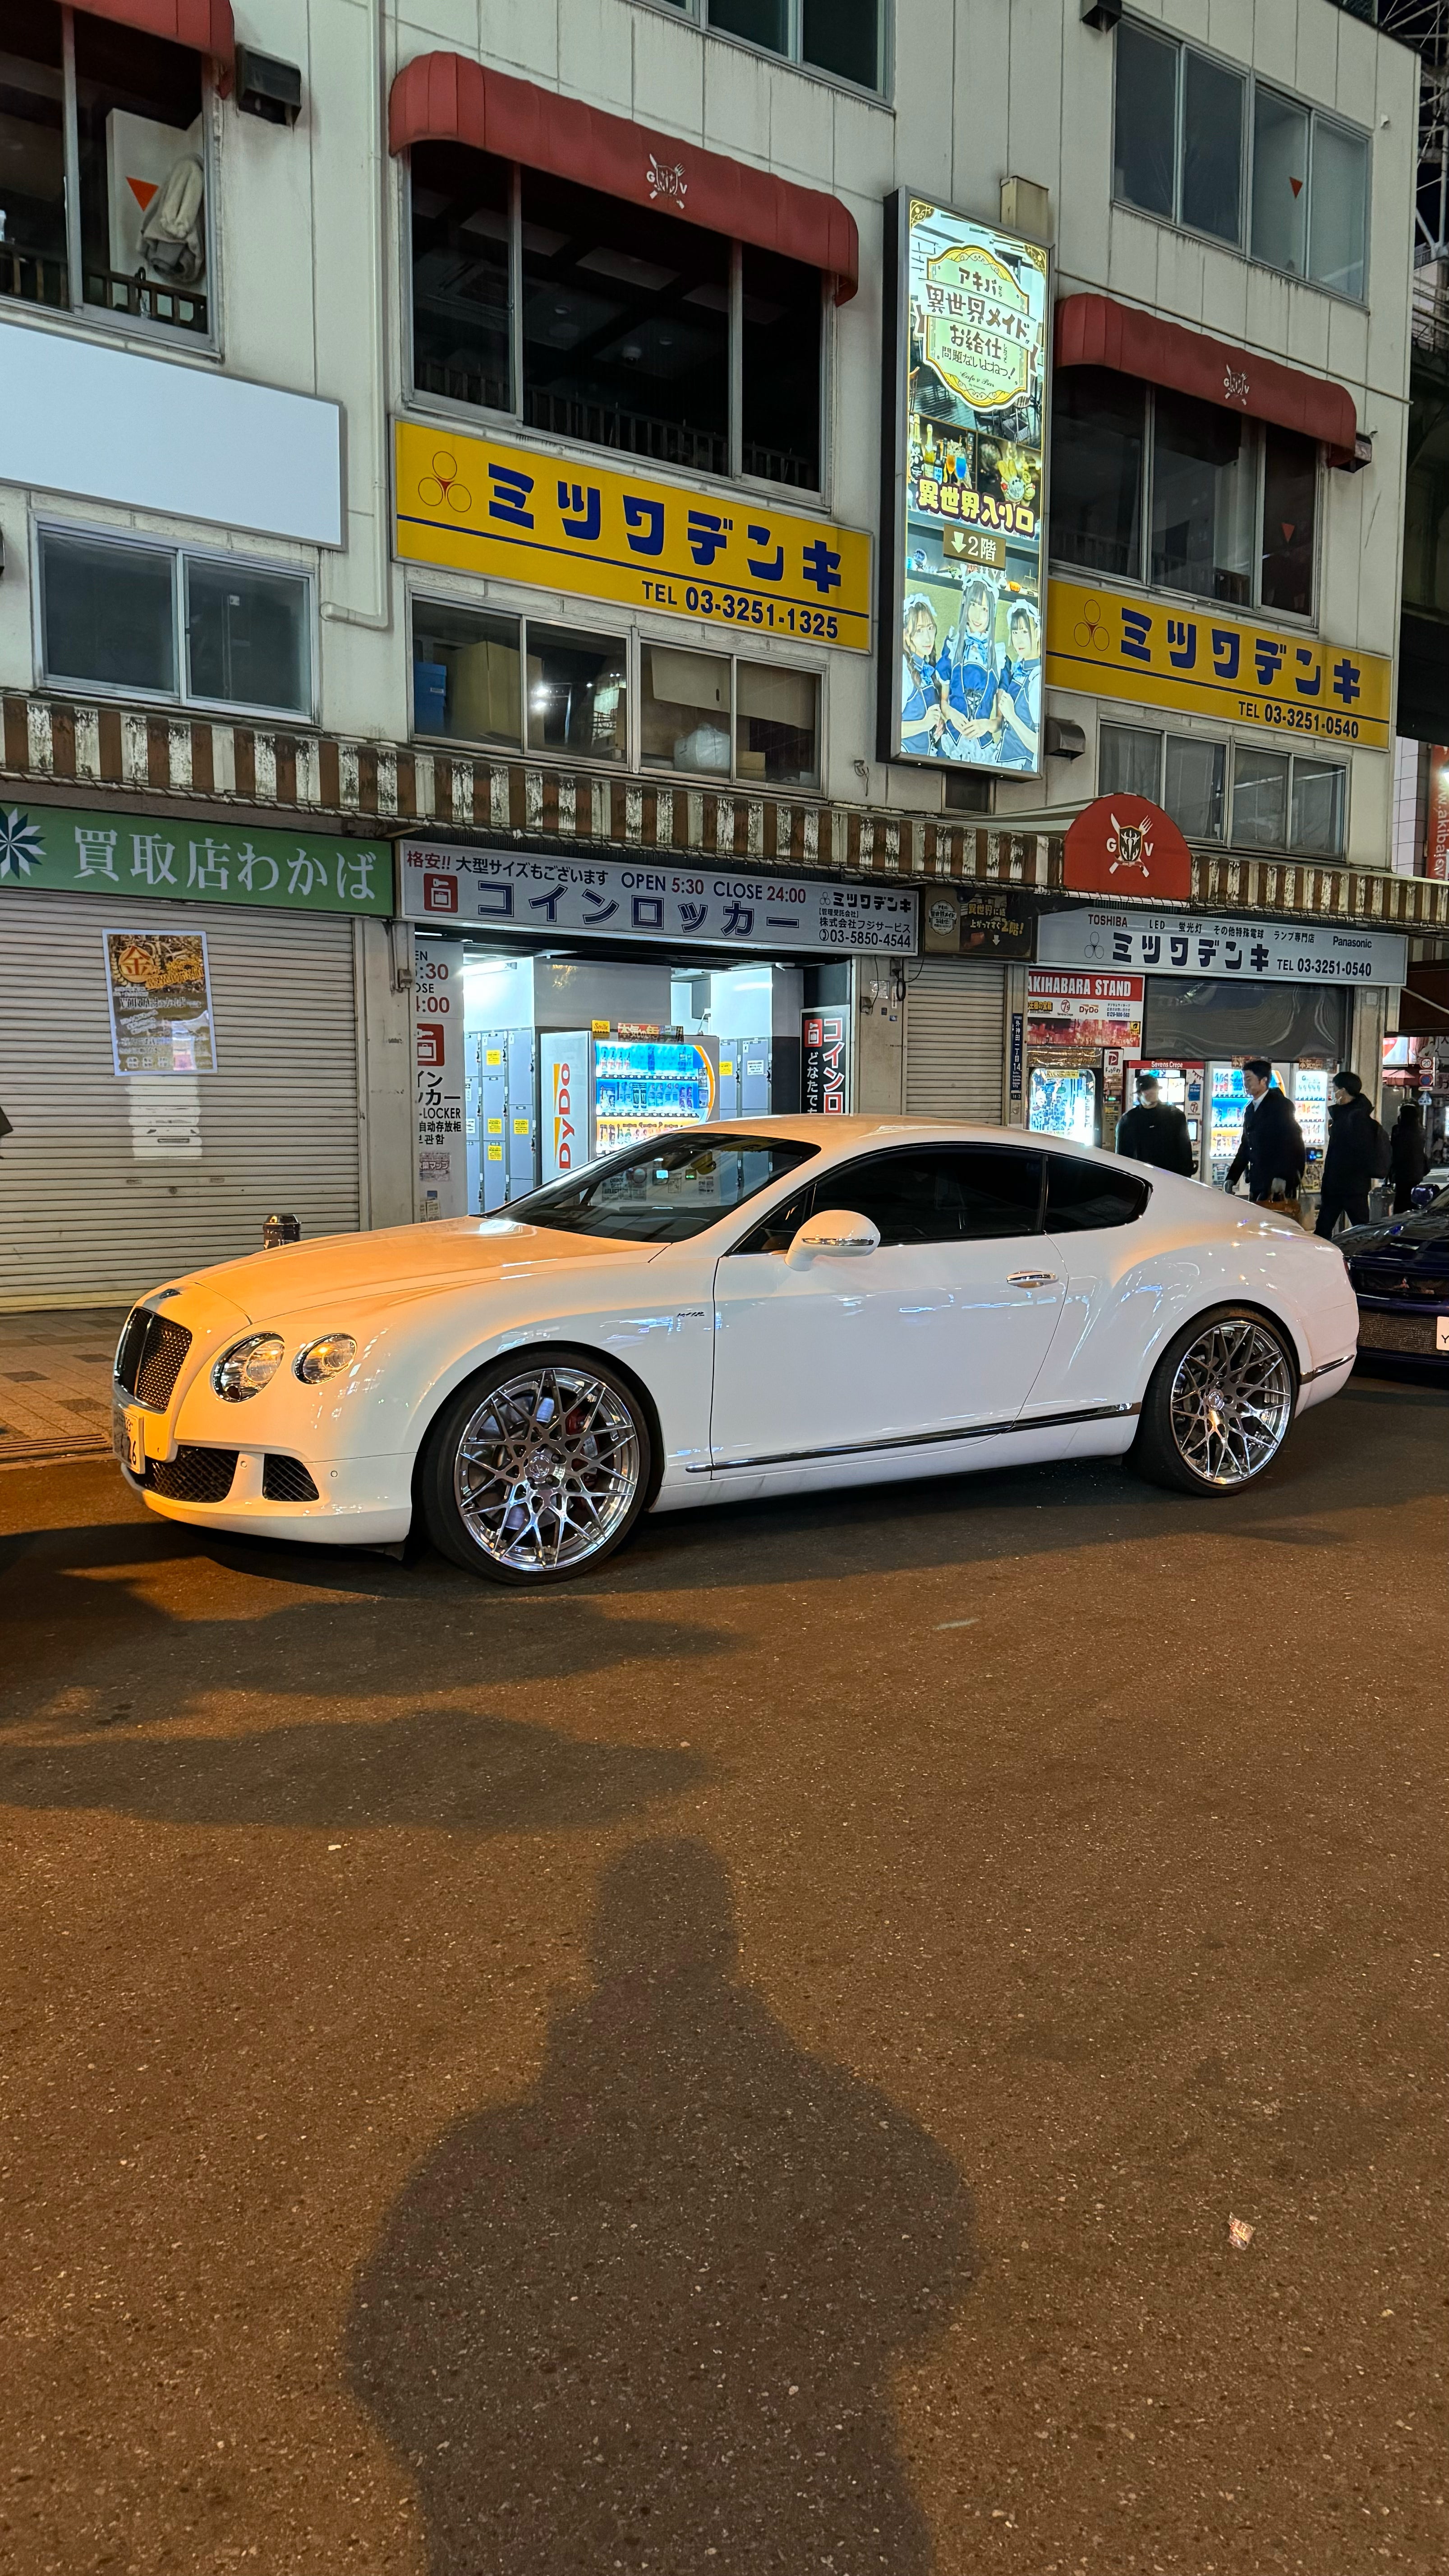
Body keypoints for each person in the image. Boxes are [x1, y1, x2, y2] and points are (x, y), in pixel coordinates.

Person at [1224, 1058, 1306, 1205]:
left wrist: (1283, 1177)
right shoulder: (1250, 1109)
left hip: (1278, 1185)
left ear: (1264, 1080)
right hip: (1258, 1182)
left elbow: (1294, 1145)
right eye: (1244, 1079)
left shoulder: (1281, 1107)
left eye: (1249, 1079)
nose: (1245, 1084)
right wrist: (1232, 1177)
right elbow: (1246, 1146)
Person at [939, 576, 998, 761]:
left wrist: (986, 725)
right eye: (973, 605)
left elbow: (1000, 721)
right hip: (951, 741)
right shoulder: (952, 647)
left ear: (992, 613)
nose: (977, 616)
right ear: (965, 605)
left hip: (984, 748)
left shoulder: (1000, 658)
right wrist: (953, 715)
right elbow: (943, 702)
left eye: (984, 609)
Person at [1315, 1068, 1380, 1237]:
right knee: (1328, 1230)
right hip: (1346, 1185)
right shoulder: (1351, 1115)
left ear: (1342, 1091)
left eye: (1334, 1089)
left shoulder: (1354, 1118)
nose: (1333, 1093)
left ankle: (1364, 1261)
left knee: (1361, 1232)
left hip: (1347, 1186)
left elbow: (1353, 1153)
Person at [1115, 1072, 1196, 1176]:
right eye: (1148, 1091)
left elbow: (1185, 1150)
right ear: (1139, 1094)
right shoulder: (1128, 1120)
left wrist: (1186, 1175)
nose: (1152, 1092)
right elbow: (1122, 1156)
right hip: (1142, 1178)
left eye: (1154, 1089)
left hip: (1171, 1178)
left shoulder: (1175, 1116)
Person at [994, 601, 1041, 770]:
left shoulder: (1037, 679)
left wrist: (1012, 717)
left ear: (1037, 633)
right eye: (1015, 632)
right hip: (1005, 765)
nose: (1019, 639)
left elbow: (1039, 746)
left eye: (1025, 631)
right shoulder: (1017, 669)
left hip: (1023, 769)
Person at [900, 595, 945, 759]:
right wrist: (924, 724)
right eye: (919, 630)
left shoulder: (927, 670)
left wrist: (938, 725)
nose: (928, 638)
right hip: (903, 763)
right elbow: (888, 729)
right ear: (906, 634)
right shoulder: (903, 669)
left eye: (930, 628)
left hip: (923, 763)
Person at [1389, 1097, 1429, 1212]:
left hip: (1402, 1172)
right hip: (1417, 1172)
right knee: (1410, 1198)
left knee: (1401, 1200)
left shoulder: (1399, 1131)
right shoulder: (1420, 1131)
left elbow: (1395, 1150)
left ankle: (1399, 1222)